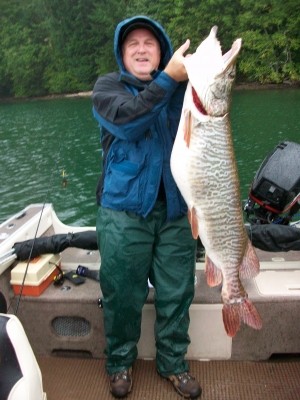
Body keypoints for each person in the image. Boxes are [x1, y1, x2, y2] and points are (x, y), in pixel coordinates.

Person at [92, 15, 202, 399]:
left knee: (177, 292)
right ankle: (120, 361)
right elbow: (128, 123)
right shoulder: (108, 89)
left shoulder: (184, 90)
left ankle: (173, 363)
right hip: (123, 213)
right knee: (122, 293)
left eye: (149, 43)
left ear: (162, 52)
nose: (141, 49)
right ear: (123, 54)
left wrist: (195, 77)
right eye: (132, 44)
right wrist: (168, 79)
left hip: (176, 211)